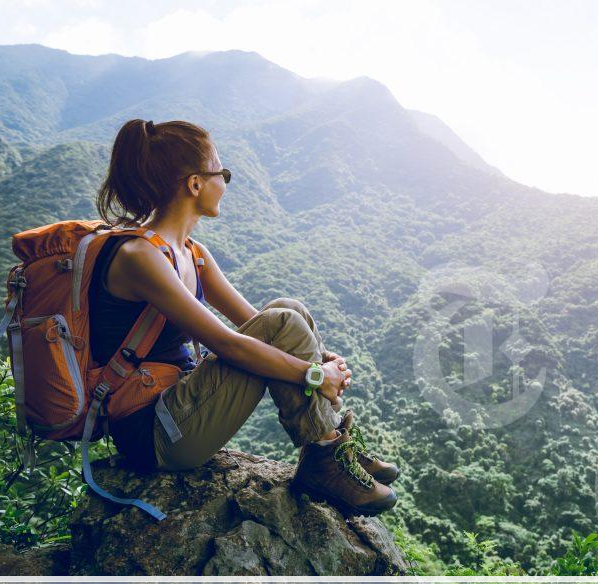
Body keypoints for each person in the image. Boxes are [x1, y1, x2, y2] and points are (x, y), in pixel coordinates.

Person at [90, 118, 399, 517]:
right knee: (285, 323)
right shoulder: (140, 258)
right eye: (223, 173)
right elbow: (229, 343)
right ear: (195, 184)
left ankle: (331, 446)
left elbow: (258, 324)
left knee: (290, 310)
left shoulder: (191, 253)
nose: (226, 182)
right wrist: (316, 377)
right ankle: (325, 458)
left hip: (180, 408)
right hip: (154, 433)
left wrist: (316, 359)